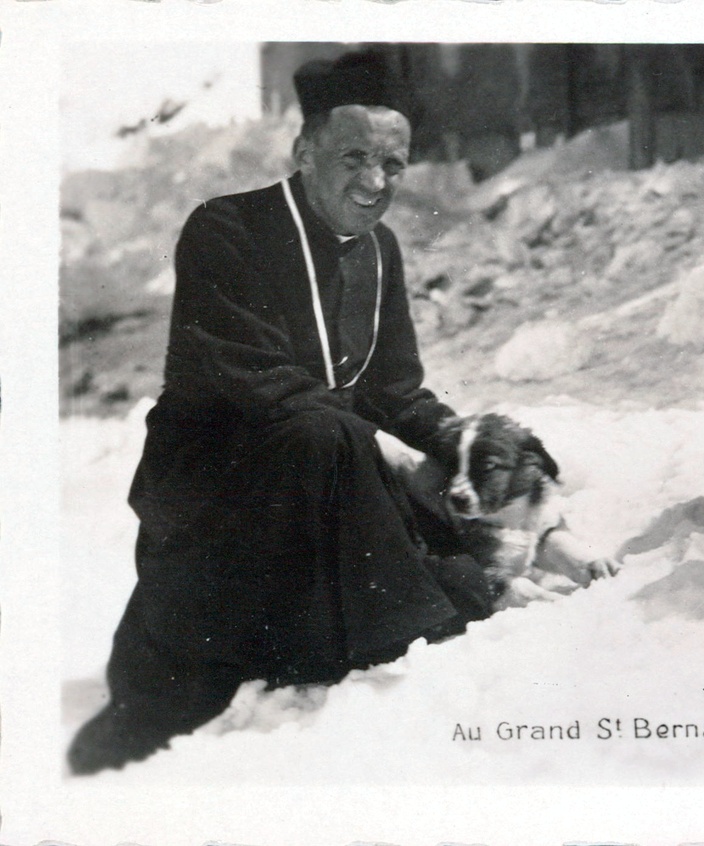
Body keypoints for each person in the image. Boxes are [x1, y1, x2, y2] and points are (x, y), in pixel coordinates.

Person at [68, 51, 492, 775]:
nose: (375, 182)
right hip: (220, 495)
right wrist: (390, 452)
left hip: (330, 476)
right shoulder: (226, 228)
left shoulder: (380, 250)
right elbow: (258, 383)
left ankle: (371, 649)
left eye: (393, 164)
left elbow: (393, 389)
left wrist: (465, 441)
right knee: (321, 437)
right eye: (354, 157)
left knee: (425, 516)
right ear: (303, 151)